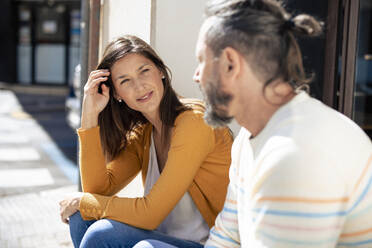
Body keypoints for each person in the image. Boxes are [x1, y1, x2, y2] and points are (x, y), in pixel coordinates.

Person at [134, 0, 372, 247]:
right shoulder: (249, 138)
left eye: (202, 61)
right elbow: (227, 236)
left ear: (230, 64)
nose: (196, 75)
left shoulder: (295, 156)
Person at [58, 35, 233, 248]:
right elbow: (97, 191)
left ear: (160, 71)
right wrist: (89, 118)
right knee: (81, 218)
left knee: (102, 234)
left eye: (144, 71)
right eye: (125, 81)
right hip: (164, 239)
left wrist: (83, 201)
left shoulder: (194, 122)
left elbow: (150, 214)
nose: (139, 86)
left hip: (212, 244)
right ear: (117, 94)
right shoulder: (144, 133)